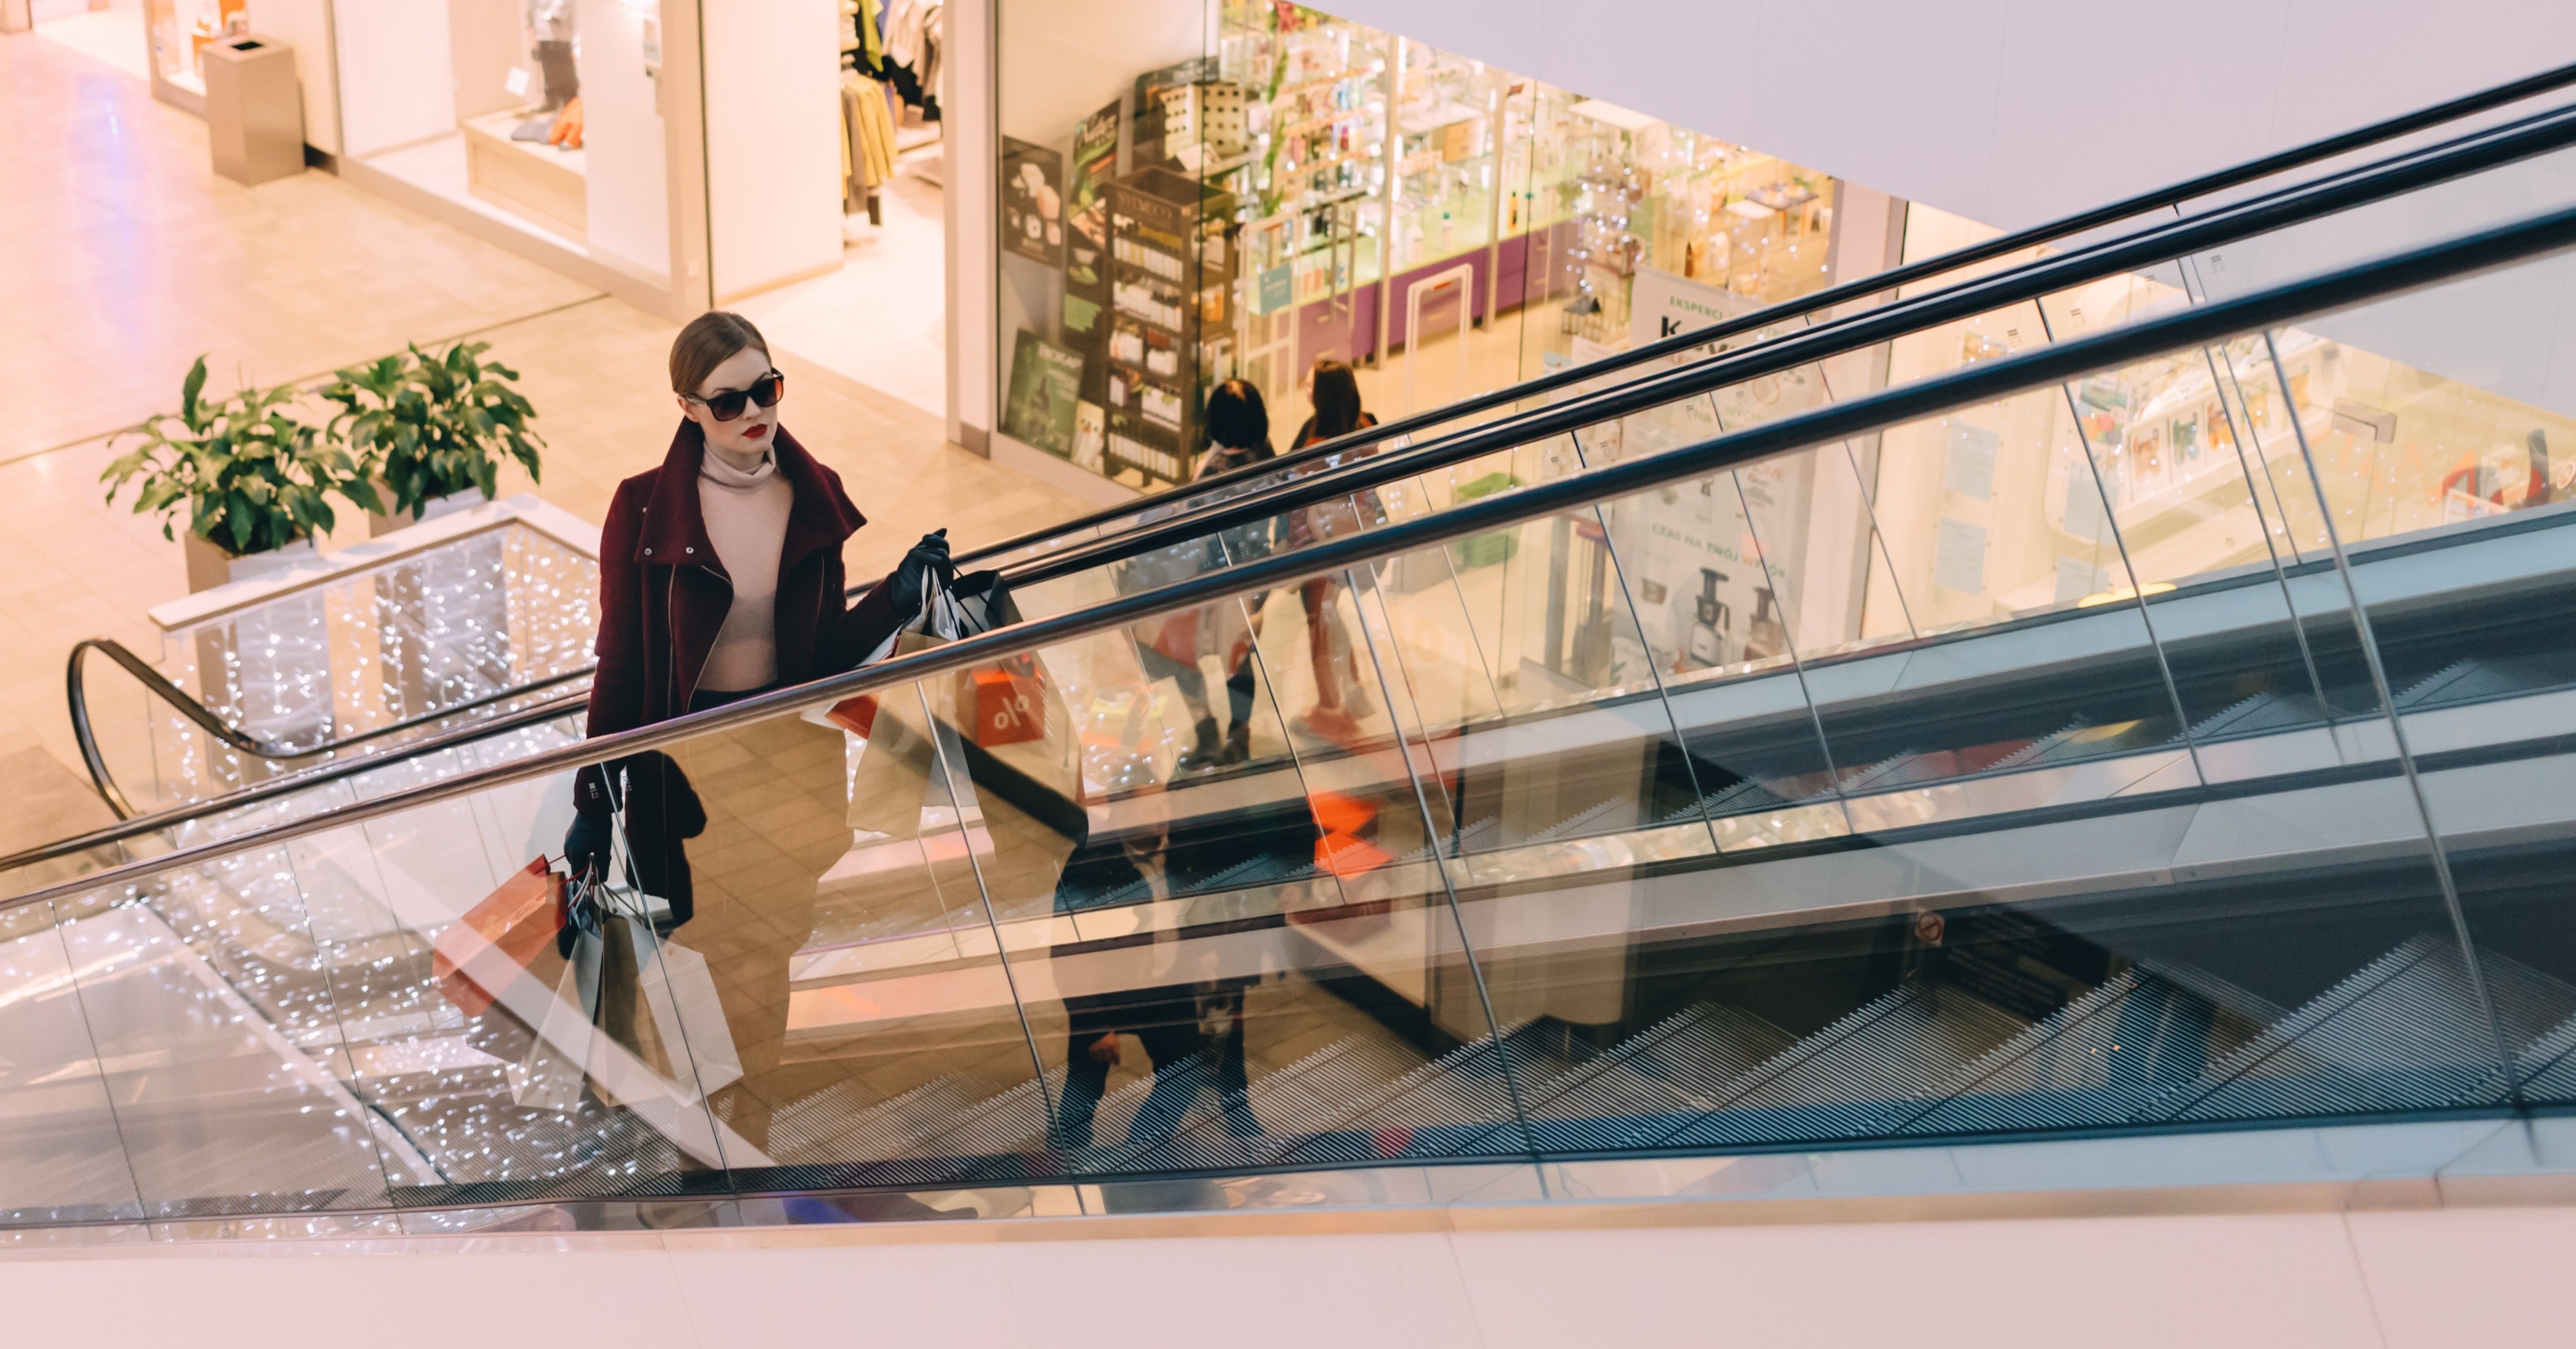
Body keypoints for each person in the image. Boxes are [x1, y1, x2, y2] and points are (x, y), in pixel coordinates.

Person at [561, 310, 953, 1146]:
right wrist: (594, 796)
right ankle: (705, 1118)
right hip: (684, 774)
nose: (755, 411)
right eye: (729, 398)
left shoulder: (807, 498)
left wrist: (895, 594)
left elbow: (819, 658)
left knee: (767, 955)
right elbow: (622, 665)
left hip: (782, 762)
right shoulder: (640, 512)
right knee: (702, 953)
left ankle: (753, 1119)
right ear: (688, 407)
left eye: (767, 388)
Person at [1121, 380, 1279, 772]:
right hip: (1252, 578)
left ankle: (1206, 729)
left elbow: (1196, 535)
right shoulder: (1266, 452)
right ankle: (1237, 736)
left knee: (1180, 656)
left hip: (1210, 581)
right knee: (1239, 662)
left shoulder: (1216, 475)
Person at [1286, 359, 1384, 747]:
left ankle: (1330, 711)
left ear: (1323, 398)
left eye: (1312, 385)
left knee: (1319, 628)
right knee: (1332, 618)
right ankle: (1354, 687)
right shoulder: (1366, 426)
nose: (1305, 388)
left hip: (1319, 550)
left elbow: (1295, 498)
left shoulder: (1316, 451)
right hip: (1359, 541)